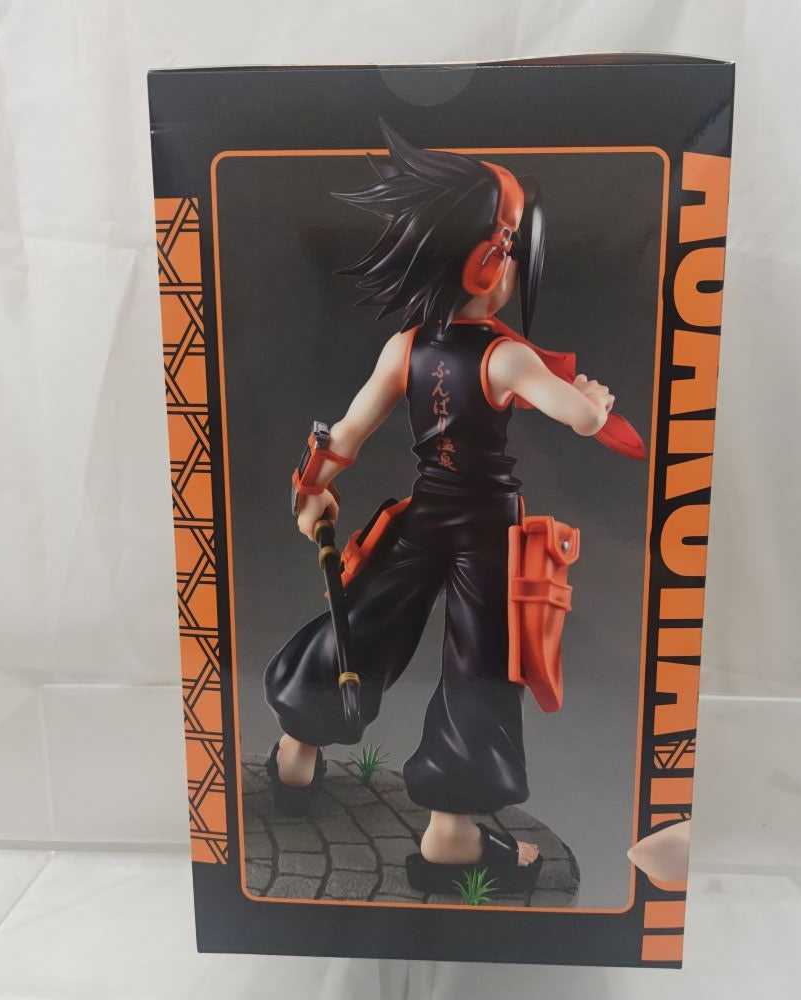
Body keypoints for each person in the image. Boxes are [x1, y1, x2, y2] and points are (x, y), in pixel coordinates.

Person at [263, 121, 614, 893]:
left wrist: (311, 487)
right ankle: (452, 835)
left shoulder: (406, 346)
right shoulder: (506, 357)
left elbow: (344, 434)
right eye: (510, 246)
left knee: (366, 616)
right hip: (486, 531)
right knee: (479, 662)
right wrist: (593, 402)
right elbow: (581, 419)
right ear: (489, 258)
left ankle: (296, 754)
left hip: (425, 512)